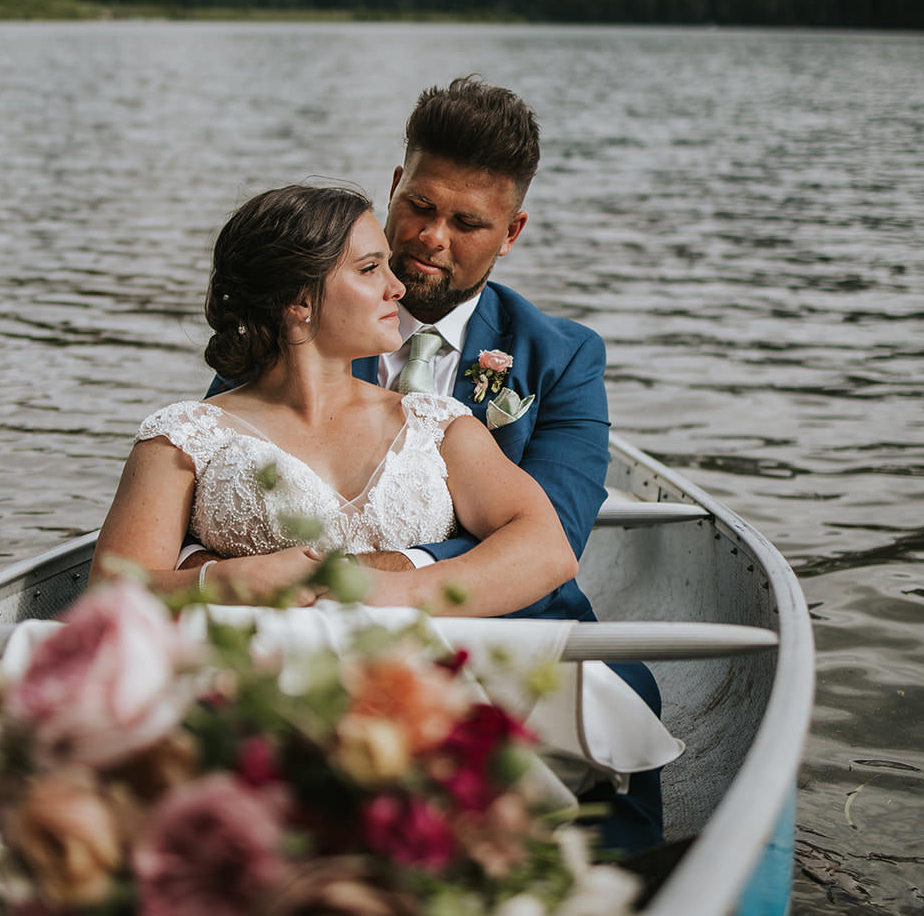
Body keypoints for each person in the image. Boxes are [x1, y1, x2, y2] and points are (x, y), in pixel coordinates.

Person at [189, 77, 665, 851]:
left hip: (492, 618)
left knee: (621, 691)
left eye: (466, 222)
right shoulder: (296, 321)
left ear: (509, 233)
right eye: (418, 206)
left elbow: (555, 534)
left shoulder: (562, 356)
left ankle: (624, 896)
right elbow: (224, 470)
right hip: (310, 632)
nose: (430, 238)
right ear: (392, 188)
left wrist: (386, 572)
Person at [91, 184, 577, 620]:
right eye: (370, 269)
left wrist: (397, 591)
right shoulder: (184, 436)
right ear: (298, 302)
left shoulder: (437, 425)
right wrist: (223, 582)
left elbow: (548, 548)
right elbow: (109, 593)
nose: (398, 287)